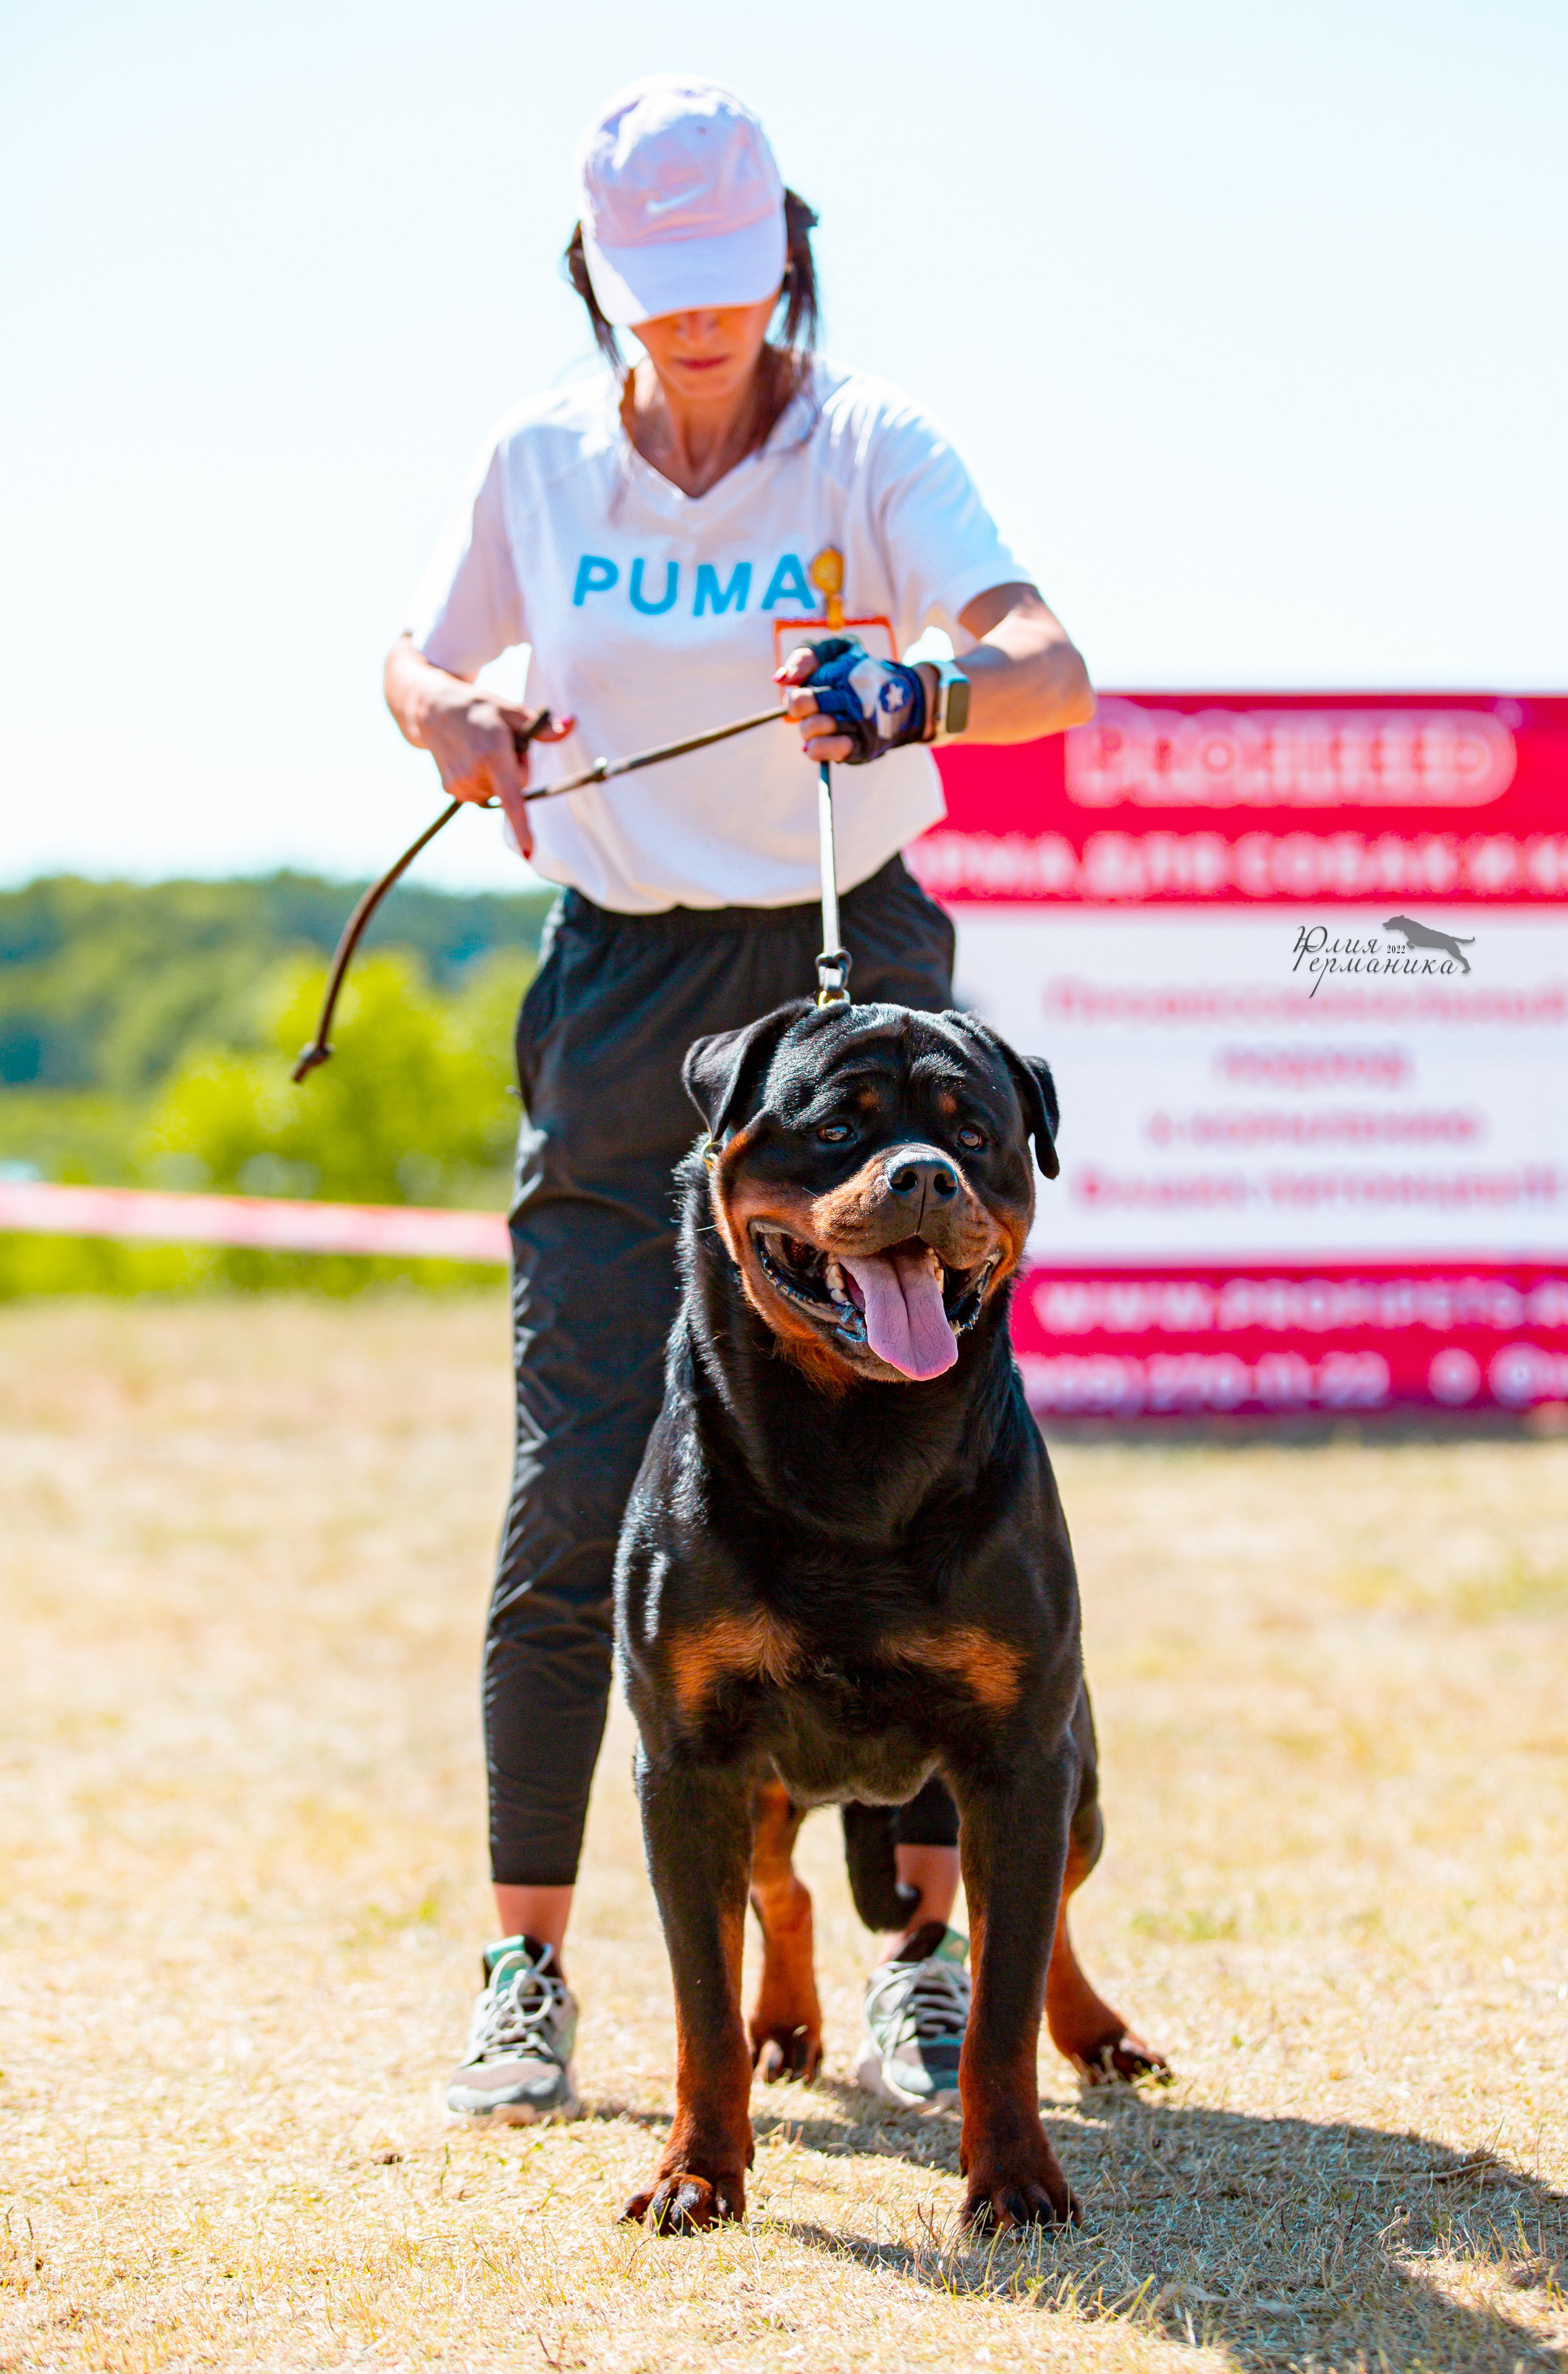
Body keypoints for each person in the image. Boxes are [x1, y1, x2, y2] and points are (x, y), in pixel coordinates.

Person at [384, 72, 1095, 2123]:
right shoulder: (534, 463)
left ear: (786, 254)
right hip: (621, 998)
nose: (696, 324)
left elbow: (1051, 662)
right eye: (651, 289)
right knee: (576, 1473)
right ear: (598, 279)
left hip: (851, 980)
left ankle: (922, 1969)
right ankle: (526, 1968)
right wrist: (464, 723)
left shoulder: (873, 442)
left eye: (728, 281)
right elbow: (414, 665)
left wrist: (925, 686)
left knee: (932, 1461)